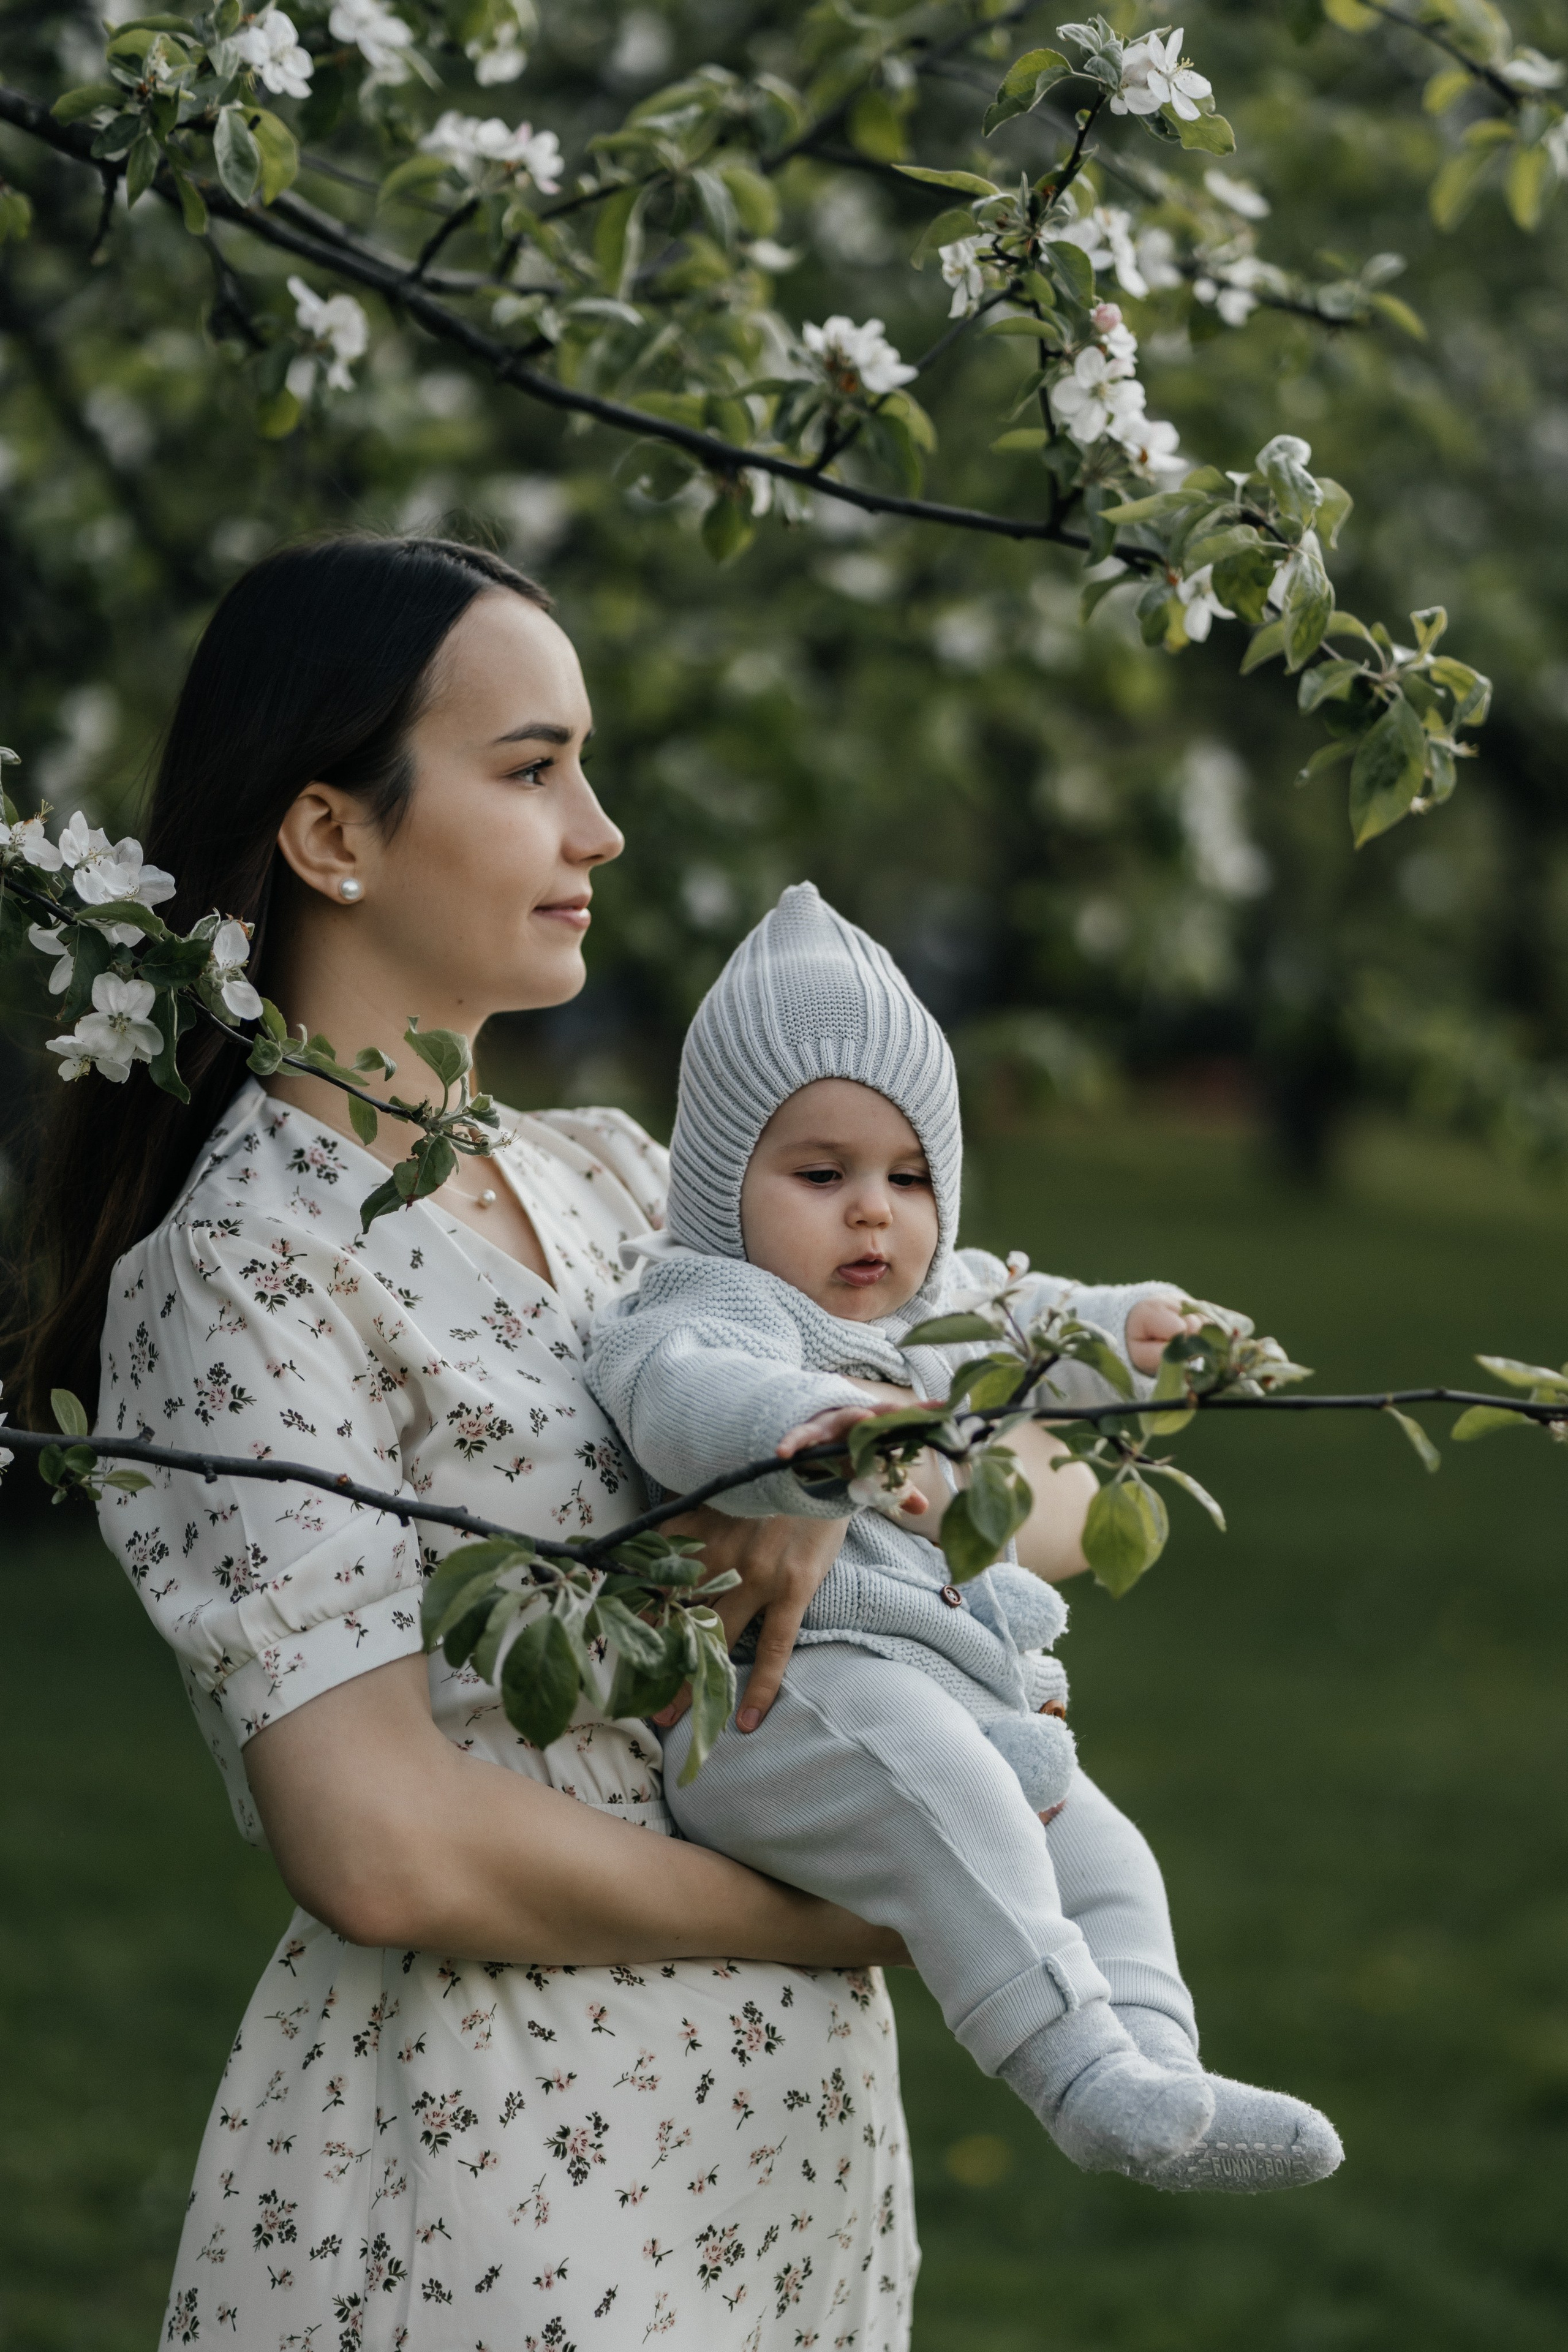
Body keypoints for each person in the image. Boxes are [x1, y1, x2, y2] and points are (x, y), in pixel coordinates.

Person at [20, 538, 921, 2348]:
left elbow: (1007, 1450)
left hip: (785, 2159)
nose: (599, 830)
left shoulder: (614, 1188)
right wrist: (841, 1912)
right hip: (497, 2179)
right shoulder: (247, 1272)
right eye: (532, 770)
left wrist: (841, 1471)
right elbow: (380, 1841)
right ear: (331, 834)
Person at [586, 884, 1344, 2192]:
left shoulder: (939, 1305)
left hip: (957, 1690)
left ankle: (1159, 2069)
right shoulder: (713, 1306)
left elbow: (1037, 1321)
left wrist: (1134, 1331)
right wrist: (809, 1429)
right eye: (820, 1175)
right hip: (787, 1704)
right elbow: (683, 1393)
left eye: (909, 1176)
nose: (872, 1212)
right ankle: (1078, 2079)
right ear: (720, 1187)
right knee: (958, 1803)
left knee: (1102, 1851)